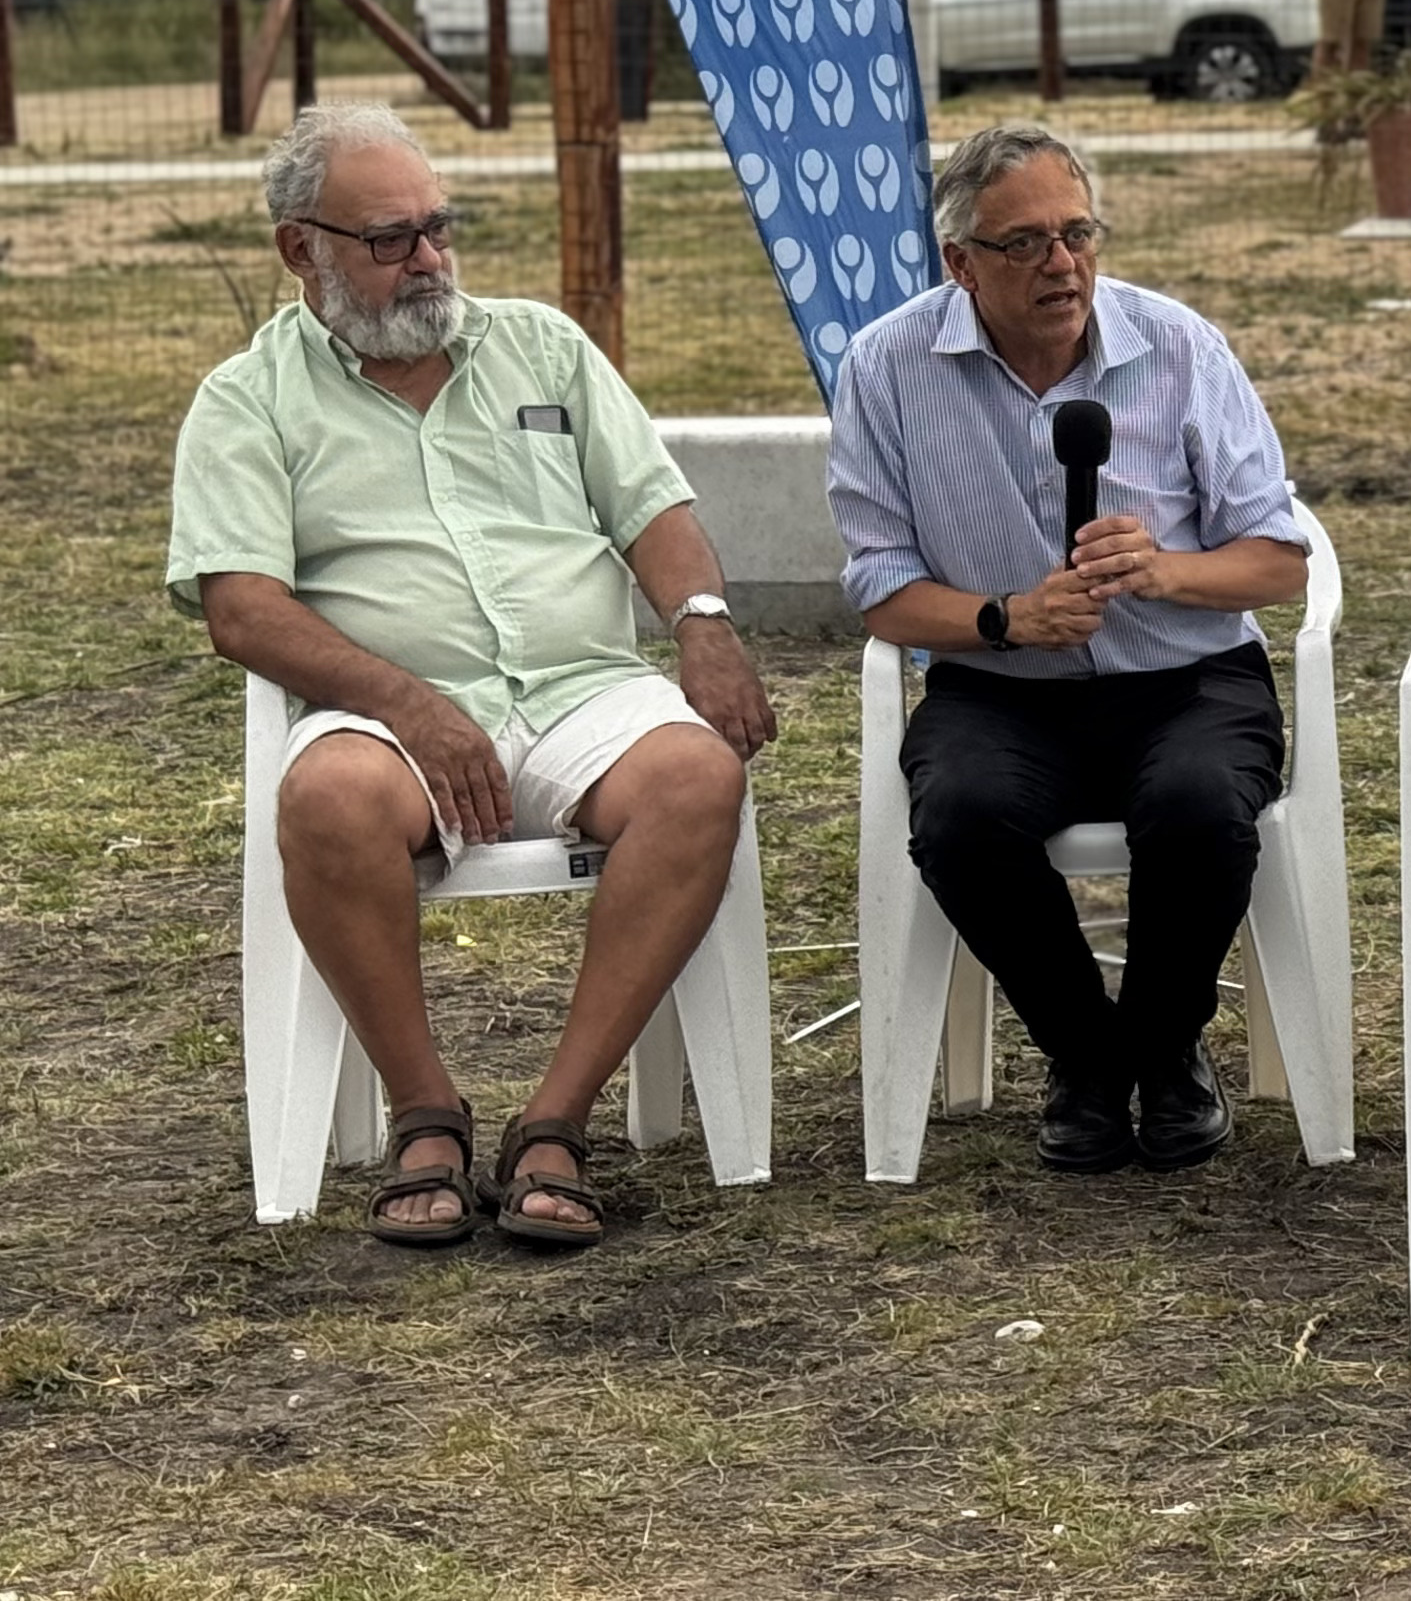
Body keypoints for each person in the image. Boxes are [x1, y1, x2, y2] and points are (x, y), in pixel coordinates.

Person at [167, 106, 775, 1251]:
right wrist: (406, 701)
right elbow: (239, 608)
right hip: (386, 717)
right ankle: (426, 1114)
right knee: (328, 801)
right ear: (303, 250)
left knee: (697, 778)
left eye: (439, 227)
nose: (431, 260)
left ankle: (554, 1123)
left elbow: (654, 508)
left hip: (581, 689)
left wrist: (701, 624)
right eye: (391, 239)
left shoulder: (542, 346)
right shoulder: (247, 399)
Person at [827, 122, 1311, 1174]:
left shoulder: (1178, 345)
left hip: (1187, 678)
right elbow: (878, 591)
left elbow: (1281, 564)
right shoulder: (885, 367)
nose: (1062, 264)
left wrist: (1168, 570)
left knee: (1196, 806)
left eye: (1077, 233)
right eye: (1025, 244)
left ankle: (1166, 1050)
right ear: (959, 264)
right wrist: (1005, 615)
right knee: (958, 816)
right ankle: (1088, 1058)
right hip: (1000, 684)